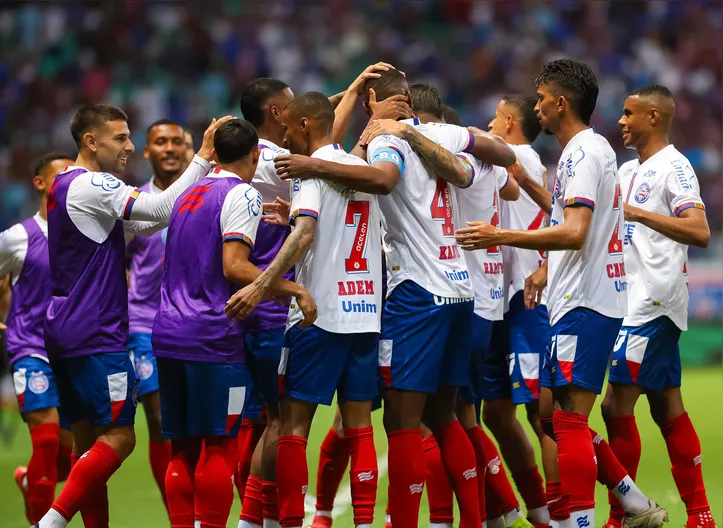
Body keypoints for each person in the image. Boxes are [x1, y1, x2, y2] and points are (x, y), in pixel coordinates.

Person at [269, 68, 515, 528]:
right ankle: (476, 520)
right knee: (446, 417)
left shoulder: (387, 138)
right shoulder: (436, 132)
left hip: (417, 294)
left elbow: (381, 179)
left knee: (402, 425)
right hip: (461, 288)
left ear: (372, 102)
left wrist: (311, 165)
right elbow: (467, 172)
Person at [454, 59, 666, 528]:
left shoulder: (584, 153)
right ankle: (631, 501)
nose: (539, 106)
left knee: (566, 421)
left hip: (587, 303)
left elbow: (574, 231)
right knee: (551, 416)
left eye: (543, 98)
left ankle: (580, 521)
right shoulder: (582, 152)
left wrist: (501, 236)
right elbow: (566, 217)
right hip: (575, 299)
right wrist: (542, 253)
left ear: (561, 102)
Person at [33, 104, 232, 528]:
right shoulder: (95, 183)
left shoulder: (64, 185)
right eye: (120, 138)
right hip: (96, 331)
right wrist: (204, 158)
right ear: (91, 141)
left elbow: (134, 227)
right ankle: (51, 521)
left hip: (64, 326)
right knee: (122, 436)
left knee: (87, 444)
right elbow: (158, 212)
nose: (128, 147)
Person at [227, 91, 384, 528]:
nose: (285, 137)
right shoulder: (363, 167)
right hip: (366, 310)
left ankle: (292, 521)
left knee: (293, 427)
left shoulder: (307, 172)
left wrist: (261, 284)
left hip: (319, 315)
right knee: (359, 427)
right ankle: (366, 522)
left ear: (307, 126)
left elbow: (306, 234)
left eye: (289, 129)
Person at [151, 118, 315, 528]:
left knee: (181, 451)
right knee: (219, 447)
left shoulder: (188, 190)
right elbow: (235, 266)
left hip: (168, 331)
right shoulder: (243, 193)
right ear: (256, 155)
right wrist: (294, 290)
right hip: (213, 335)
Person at [601, 84, 715, 528]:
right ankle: (701, 514)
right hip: (630, 301)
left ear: (653, 116)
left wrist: (640, 213)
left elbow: (700, 230)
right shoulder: (628, 170)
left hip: (653, 304)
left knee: (615, 406)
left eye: (629, 113)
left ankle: (622, 514)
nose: (622, 121)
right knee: (668, 406)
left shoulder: (676, 168)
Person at [483, 94, 555, 528]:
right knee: (495, 412)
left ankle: (568, 511)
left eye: (495, 117)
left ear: (510, 122)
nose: (490, 123)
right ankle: (537, 508)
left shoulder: (516, 156)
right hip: (504, 298)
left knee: (540, 414)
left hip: (526, 299)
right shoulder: (516, 158)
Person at [1, 153, 74, 524]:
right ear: (40, 183)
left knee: (68, 458)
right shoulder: (18, 236)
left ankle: (32, 481)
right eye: (60, 176)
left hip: (75, 352)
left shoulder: (88, 235)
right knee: (45, 444)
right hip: (31, 349)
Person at [236, 76, 296, 528]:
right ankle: (259, 520)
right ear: (277, 114)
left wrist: (347, 94)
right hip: (274, 306)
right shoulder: (279, 163)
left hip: (251, 309)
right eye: (290, 108)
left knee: (256, 420)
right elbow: (332, 173)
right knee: (282, 421)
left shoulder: (241, 165)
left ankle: (255, 518)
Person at [125, 118, 188, 513]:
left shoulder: (205, 197)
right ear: (147, 152)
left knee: (193, 421)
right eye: (159, 142)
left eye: (175, 142)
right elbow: (115, 261)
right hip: (144, 323)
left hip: (195, 323)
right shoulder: (132, 205)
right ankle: (177, 515)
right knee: (159, 416)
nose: (168, 149)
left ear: (187, 149)